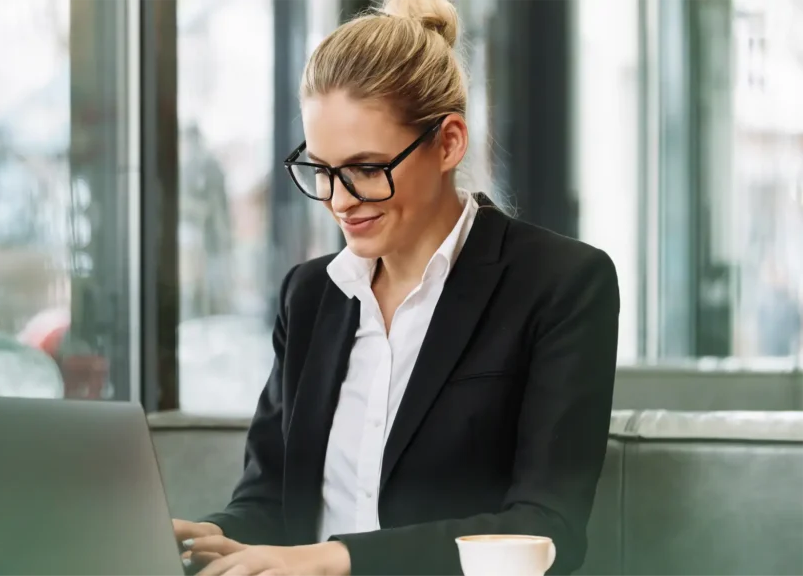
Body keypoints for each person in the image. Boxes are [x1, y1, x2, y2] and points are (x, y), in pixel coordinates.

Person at [173, 0, 620, 574]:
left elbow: (545, 530)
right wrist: (205, 536)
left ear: (450, 143)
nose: (339, 199)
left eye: (365, 169)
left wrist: (337, 560)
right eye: (322, 170)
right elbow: (268, 500)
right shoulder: (310, 296)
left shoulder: (560, 285)